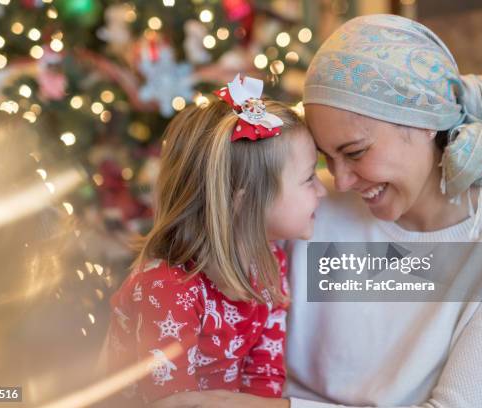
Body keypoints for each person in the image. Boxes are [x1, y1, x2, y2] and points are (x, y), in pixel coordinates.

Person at [147, 14, 482, 408]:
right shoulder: (304, 207)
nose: (340, 182)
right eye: (324, 159)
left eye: (356, 152)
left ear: (427, 121)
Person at [104, 74, 327, 405]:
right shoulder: (168, 287)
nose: (323, 190)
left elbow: (264, 377)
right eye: (309, 178)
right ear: (246, 202)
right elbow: (171, 403)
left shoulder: (270, 263)